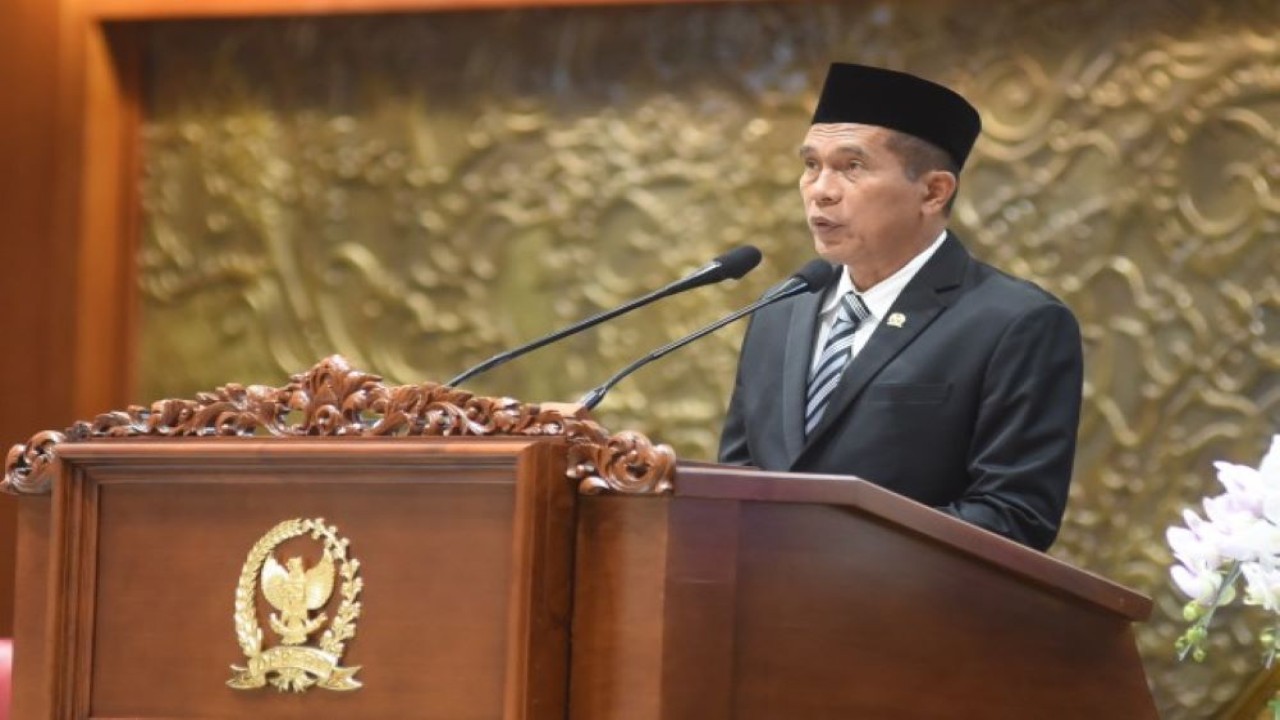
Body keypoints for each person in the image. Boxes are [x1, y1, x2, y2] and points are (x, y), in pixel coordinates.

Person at [718, 63, 1083, 551]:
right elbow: (737, 477)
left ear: (933, 192)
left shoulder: (1014, 322)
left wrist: (832, 551)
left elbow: (1014, 516)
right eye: (811, 164)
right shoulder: (781, 309)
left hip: (911, 616)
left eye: (852, 166)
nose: (821, 189)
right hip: (761, 612)